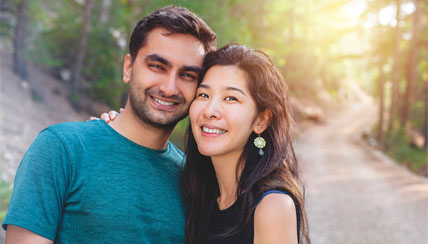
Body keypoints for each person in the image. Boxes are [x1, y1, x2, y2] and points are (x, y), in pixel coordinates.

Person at [2, 6, 216, 244]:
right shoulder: (61, 149)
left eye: (187, 75)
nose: (169, 88)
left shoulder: (194, 180)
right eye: (157, 66)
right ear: (128, 67)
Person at [103, 44, 310, 244]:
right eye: (203, 95)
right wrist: (117, 128)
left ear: (261, 120)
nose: (210, 110)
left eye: (230, 98)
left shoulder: (272, 206)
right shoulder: (198, 192)